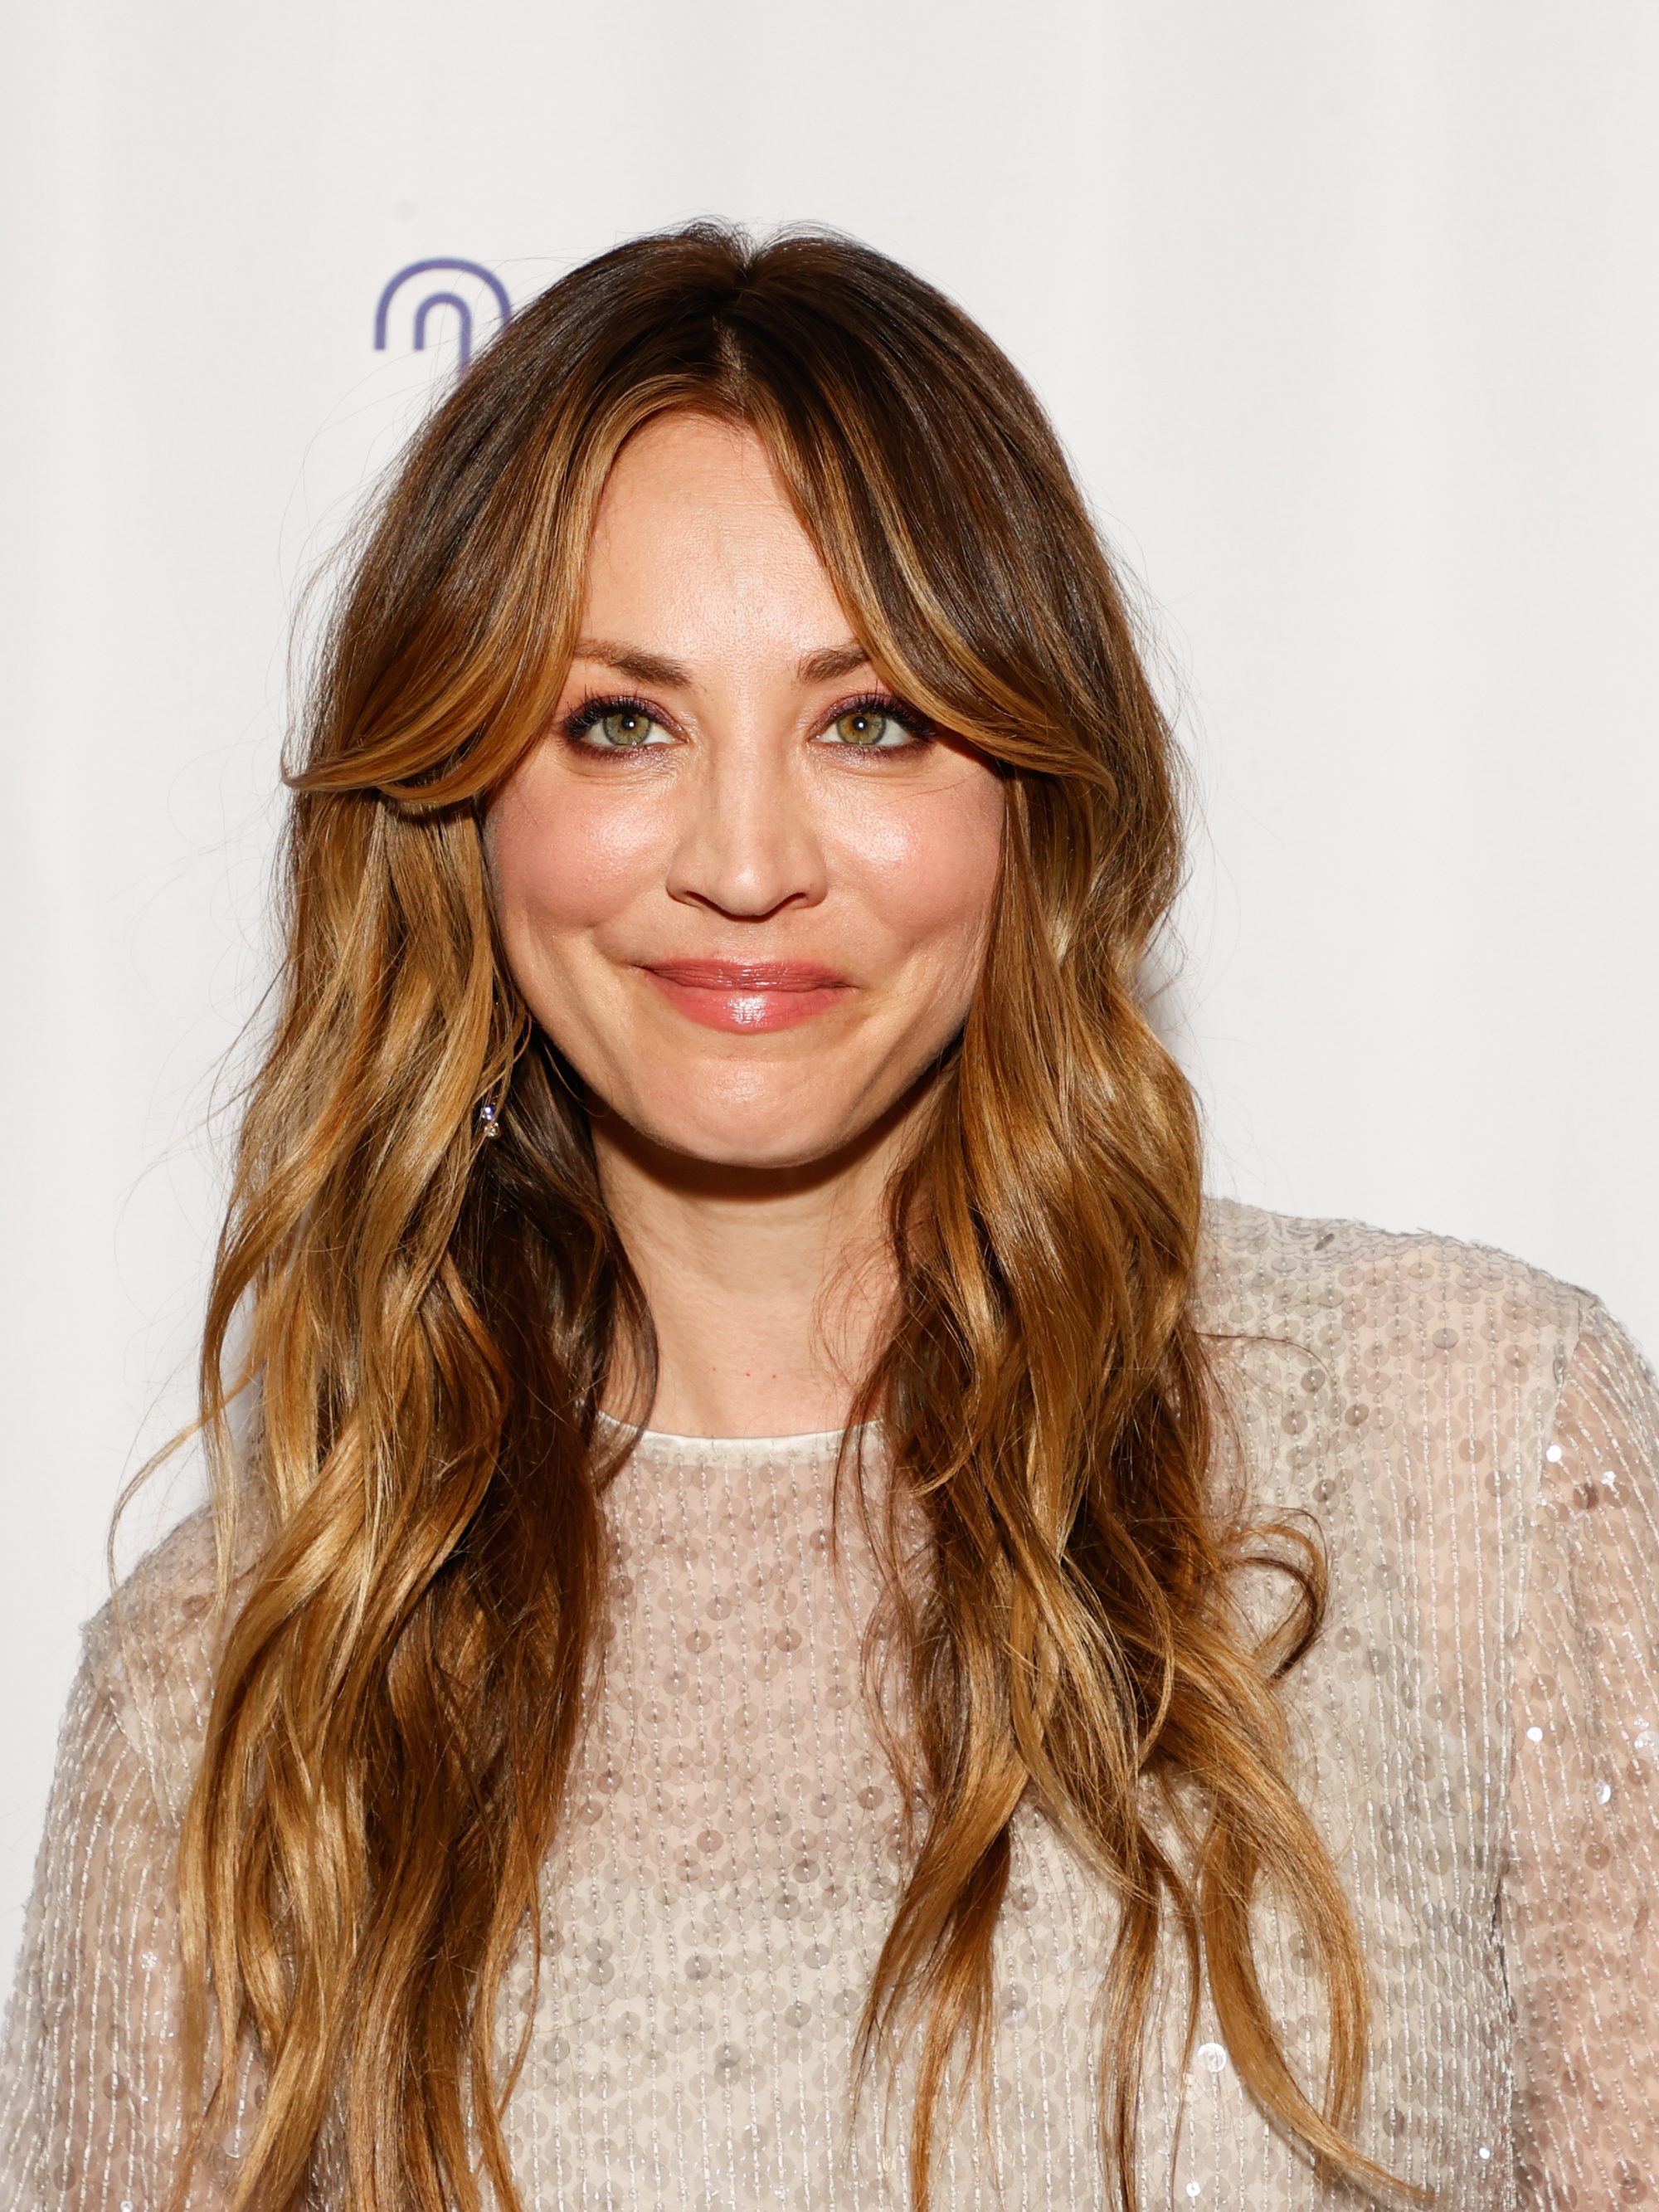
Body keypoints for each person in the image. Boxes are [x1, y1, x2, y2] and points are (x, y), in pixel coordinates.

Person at [1, 222, 1654, 2212]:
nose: (748, 859)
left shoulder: (1467, 1448)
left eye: (870, 717)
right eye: (621, 719)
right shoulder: (244, 1667)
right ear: (461, 808)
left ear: (1030, 795)